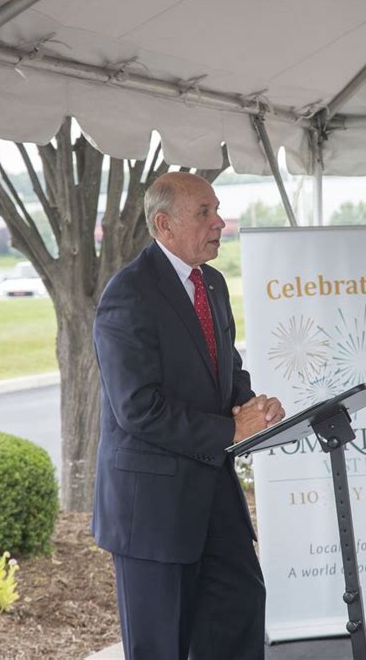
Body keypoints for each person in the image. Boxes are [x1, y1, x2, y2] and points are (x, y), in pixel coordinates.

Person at [91, 171, 285, 660]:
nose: (220, 222)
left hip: (213, 494)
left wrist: (252, 407)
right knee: (163, 644)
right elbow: (137, 407)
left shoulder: (212, 284)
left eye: (217, 210)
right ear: (164, 224)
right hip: (152, 508)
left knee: (241, 608)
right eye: (205, 212)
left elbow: (226, 368)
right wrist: (229, 429)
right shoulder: (128, 293)